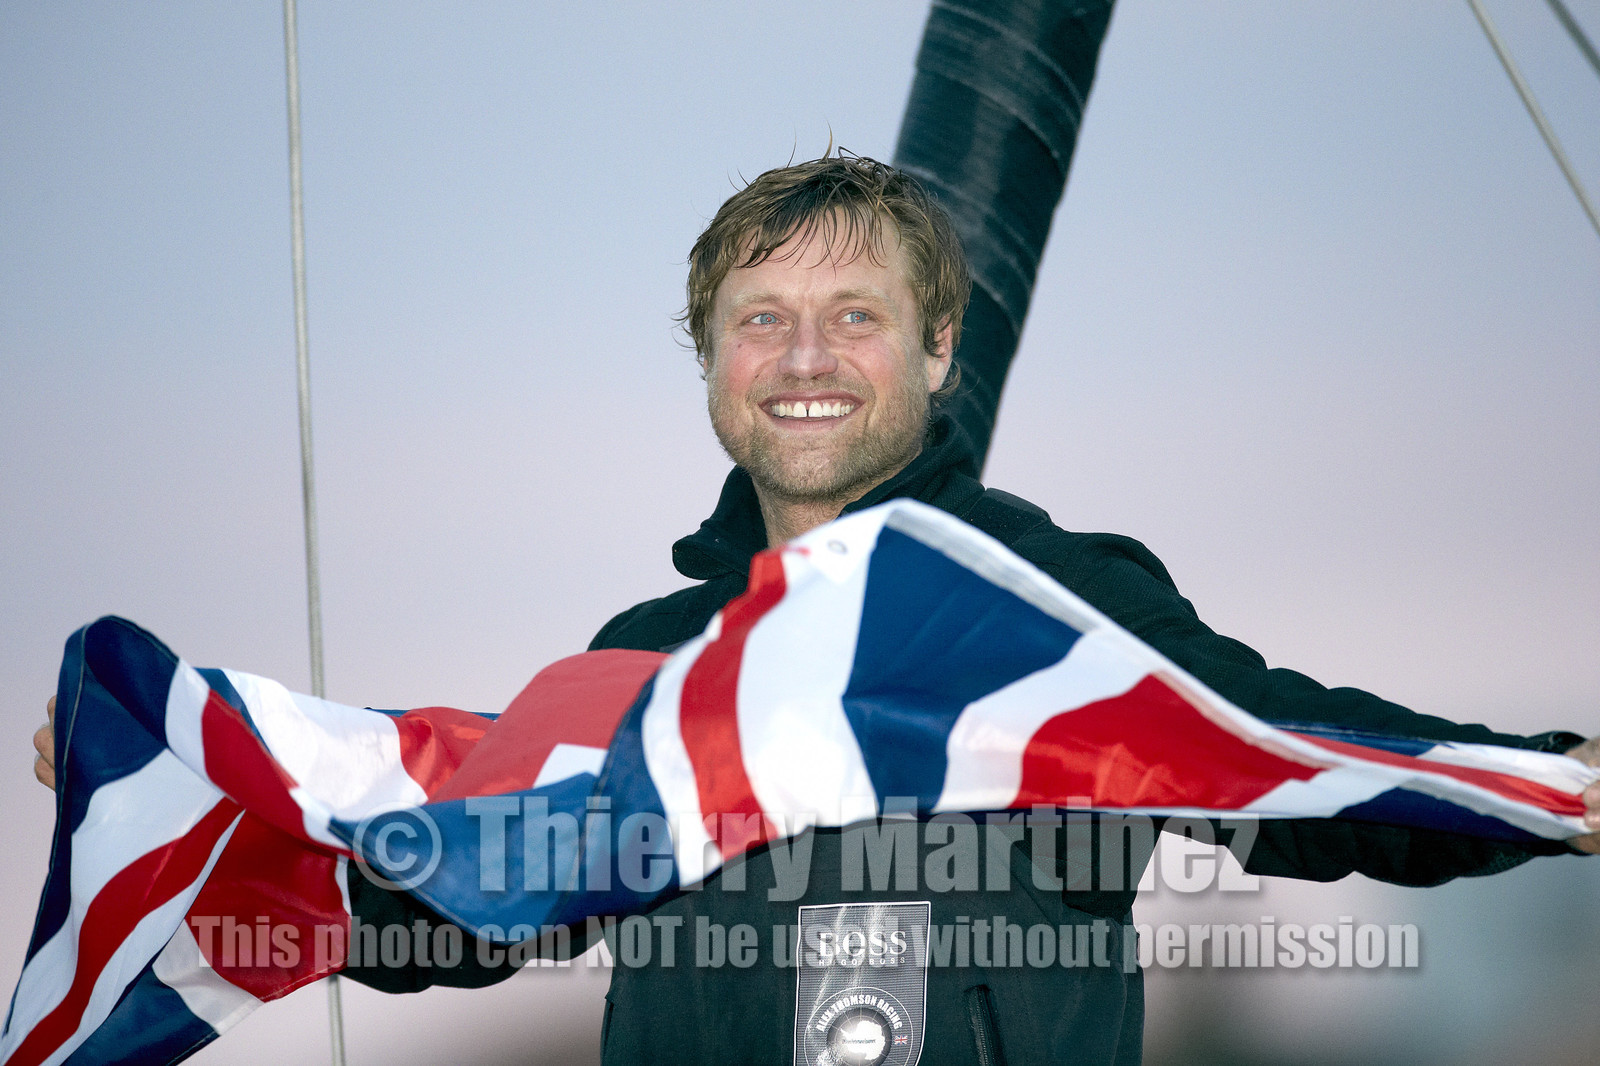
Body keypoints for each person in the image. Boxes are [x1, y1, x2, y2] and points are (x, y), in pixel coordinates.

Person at [30, 157, 1600, 1064]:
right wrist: (191, 793)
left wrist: (1562, 782)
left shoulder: (1053, 607)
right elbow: (466, 888)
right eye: (759, 320)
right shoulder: (640, 659)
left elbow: (1294, 761)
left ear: (936, 355)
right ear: (708, 359)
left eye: (856, 316)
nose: (804, 356)